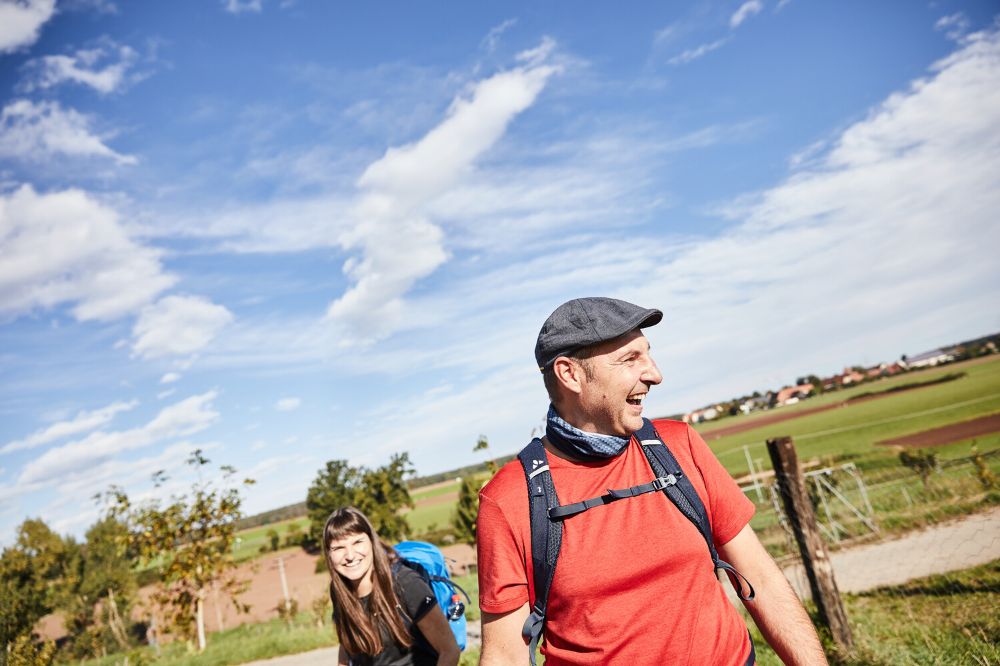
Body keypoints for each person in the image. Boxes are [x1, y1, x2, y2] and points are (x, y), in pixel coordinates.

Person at [476, 297, 827, 665]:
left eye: (648, 355)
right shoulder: (510, 499)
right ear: (570, 374)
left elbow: (761, 580)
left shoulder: (679, 446)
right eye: (630, 359)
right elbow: (505, 654)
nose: (654, 374)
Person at [323, 507, 460, 666]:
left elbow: (449, 651)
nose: (350, 555)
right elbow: (346, 647)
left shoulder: (406, 583)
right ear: (329, 554)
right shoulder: (339, 591)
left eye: (358, 542)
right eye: (338, 548)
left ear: (372, 542)